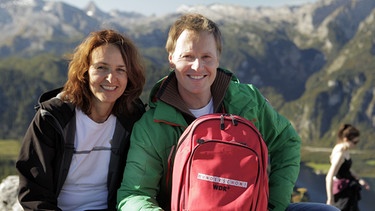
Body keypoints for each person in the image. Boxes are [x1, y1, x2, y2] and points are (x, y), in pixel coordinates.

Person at [117, 13, 339, 211]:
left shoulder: (245, 101)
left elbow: (287, 142)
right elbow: (134, 195)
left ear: (218, 59)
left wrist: (272, 205)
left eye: (206, 57)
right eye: (187, 56)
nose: (197, 67)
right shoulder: (152, 125)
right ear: (171, 59)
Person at [16, 29, 146, 211]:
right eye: (101, 67)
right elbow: (33, 192)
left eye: (120, 70)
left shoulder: (133, 118)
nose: (111, 78)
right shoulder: (53, 117)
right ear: (85, 71)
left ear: (129, 76)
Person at [326, 124, 370, 210]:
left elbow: (346, 168)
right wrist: (330, 199)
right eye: (354, 142)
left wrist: (359, 179)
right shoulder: (340, 154)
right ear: (346, 139)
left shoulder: (343, 149)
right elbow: (329, 177)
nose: (355, 145)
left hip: (347, 191)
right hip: (344, 194)